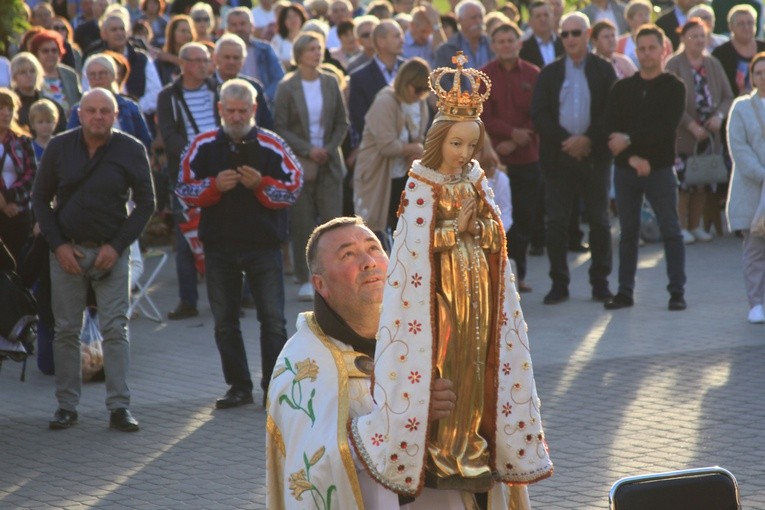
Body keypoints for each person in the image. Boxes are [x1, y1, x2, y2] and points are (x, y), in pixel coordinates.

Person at [347, 55, 552, 501]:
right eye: (456, 144)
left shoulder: (476, 180)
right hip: (439, 293)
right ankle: (446, 444)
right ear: (439, 140)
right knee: (449, 359)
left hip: (478, 282)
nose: (464, 154)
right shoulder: (421, 183)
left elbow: (496, 234)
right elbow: (409, 248)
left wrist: (478, 229)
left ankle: (473, 440)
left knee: (478, 361)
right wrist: (452, 231)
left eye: (471, 146)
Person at [267, 217, 466, 508]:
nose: (368, 262)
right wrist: (405, 419)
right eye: (348, 254)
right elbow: (315, 468)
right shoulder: (302, 366)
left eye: (374, 248)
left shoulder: (423, 337)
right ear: (320, 285)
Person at [32, 88, 156, 431]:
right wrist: (58, 246)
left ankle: (119, 407)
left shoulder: (130, 149)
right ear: (79, 114)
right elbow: (40, 200)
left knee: (115, 328)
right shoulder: (59, 147)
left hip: (111, 252)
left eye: (105, 111)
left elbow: (146, 203)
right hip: (67, 251)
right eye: (91, 111)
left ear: (115, 115)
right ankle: (66, 406)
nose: (98, 116)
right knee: (66, 330)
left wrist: (116, 247)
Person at [175, 79, 302, 409]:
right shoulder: (201, 145)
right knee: (225, 322)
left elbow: (293, 187)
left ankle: (273, 388)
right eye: (229, 110)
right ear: (219, 109)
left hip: (264, 246)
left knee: (273, 320)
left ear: (254, 110)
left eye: (242, 110)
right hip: (218, 247)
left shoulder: (273, 144)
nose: (235, 116)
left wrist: (262, 184)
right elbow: (183, 189)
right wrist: (213, 187)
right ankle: (238, 387)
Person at [531, 12, 616, 305]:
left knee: (599, 221)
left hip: (594, 157)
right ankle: (559, 284)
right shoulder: (550, 72)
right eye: (564, 34)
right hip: (559, 157)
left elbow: (611, 111)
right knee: (556, 222)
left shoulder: (604, 70)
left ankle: (600, 283)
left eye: (575, 33)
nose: (569, 39)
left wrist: (588, 139)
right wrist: (567, 142)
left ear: (588, 34)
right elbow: (539, 113)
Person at [604, 24, 688, 311]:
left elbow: (664, 130)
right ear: (635, 51)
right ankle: (625, 292)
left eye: (653, 47)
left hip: (661, 170)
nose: (647, 53)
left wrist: (630, 140)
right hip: (627, 170)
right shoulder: (623, 88)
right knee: (628, 232)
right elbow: (611, 130)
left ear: (664, 49)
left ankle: (677, 292)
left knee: (671, 230)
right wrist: (632, 157)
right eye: (642, 49)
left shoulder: (674, 87)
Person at [273, 31, 349, 302]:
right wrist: (308, 150)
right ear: (299, 54)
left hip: (330, 161)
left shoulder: (330, 83)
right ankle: (306, 279)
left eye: (319, 48)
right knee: (302, 221)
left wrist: (327, 149)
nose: (317, 53)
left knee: (331, 222)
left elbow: (342, 122)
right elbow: (279, 126)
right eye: (311, 49)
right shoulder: (287, 86)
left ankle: (334, 276)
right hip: (299, 162)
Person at [157, 42, 220, 320]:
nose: (203, 66)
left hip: (219, 173)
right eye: (197, 61)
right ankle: (188, 300)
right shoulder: (168, 96)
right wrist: (197, 158)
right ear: (182, 64)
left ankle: (234, 297)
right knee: (186, 239)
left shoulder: (217, 89)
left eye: (206, 60)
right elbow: (169, 137)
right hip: (186, 176)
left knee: (226, 235)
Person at [481, 22, 541, 293]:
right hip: (493, 159)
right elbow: (481, 116)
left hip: (527, 156)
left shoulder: (533, 73)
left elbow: (540, 113)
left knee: (524, 218)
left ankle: (520, 274)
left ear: (519, 43)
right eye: (500, 41)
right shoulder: (483, 76)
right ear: (493, 46)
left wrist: (520, 136)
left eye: (510, 40)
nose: (506, 44)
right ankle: (493, 275)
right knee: (493, 218)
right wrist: (507, 136)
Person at [665, 18, 733, 244]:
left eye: (702, 36)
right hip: (684, 134)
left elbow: (727, 96)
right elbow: (670, 101)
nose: (699, 40)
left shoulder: (712, 63)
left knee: (703, 180)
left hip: (709, 133)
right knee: (683, 184)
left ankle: (696, 226)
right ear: (683, 38)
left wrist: (719, 117)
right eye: (693, 36)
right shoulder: (674, 64)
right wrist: (690, 124)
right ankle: (681, 226)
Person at [353, 57, 430, 242]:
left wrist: (415, 151)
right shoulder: (385, 101)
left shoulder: (419, 103)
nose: (420, 94)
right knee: (375, 230)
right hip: (379, 174)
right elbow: (387, 146)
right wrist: (417, 148)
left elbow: (419, 135)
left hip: (404, 174)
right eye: (417, 89)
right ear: (406, 82)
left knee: (406, 229)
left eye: (424, 91)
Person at [725, 51, 765, 324]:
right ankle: (757, 303)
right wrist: (762, 174)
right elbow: (738, 147)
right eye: (759, 72)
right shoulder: (741, 107)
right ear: (751, 77)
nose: (764, 77)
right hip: (753, 188)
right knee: (755, 248)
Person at [68, 53, 153, 151]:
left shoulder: (130, 107)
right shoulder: (78, 109)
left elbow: (145, 141)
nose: (97, 78)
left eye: (102, 73)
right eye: (92, 75)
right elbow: (71, 144)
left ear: (113, 76)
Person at [347, 20, 404, 152]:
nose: (402, 40)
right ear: (381, 42)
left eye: (401, 35)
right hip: (376, 152)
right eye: (396, 36)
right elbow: (360, 120)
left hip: (409, 157)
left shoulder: (409, 71)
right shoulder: (359, 77)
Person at [0, 89, 37, 264]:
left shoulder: (22, 141)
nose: (6, 113)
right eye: (1, 108)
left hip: (19, 211)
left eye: (10, 109)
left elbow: (32, 174)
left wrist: (10, 198)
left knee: (18, 264)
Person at [225, 7, 285, 105]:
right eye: (234, 25)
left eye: (242, 24)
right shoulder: (220, 51)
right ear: (227, 29)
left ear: (252, 26)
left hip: (262, 105)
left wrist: (262, 97)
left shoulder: (265, 49)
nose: (239, 28)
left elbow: (279, 78)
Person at [712, 5, 765, 97]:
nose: (746, 27)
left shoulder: (763, 48)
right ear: (731, 27)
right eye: (741, 24)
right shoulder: (720, 53)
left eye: (750, 23)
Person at [29, 29, 82, 120]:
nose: (51, 54)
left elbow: (78, 100)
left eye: (54, 50)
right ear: (36, 54)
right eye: (45, 51)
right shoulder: (31, 75)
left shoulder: (70, 74)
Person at [10, 52, 68, 134]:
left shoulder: (51, 105)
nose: (29, 75)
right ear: (14, 77)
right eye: (23, 72)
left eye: (32, 71)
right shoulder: (9, 106)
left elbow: (62, 134)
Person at [434, 0, 494, 70]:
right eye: (473, 18)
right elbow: (443, 78)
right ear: (460, 20)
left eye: (480, 17)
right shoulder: (447, 49)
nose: (478, 21)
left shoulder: (494, 45)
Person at [520, 0, 563, 69]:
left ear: (552, 18)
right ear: (530, 21)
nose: (543, 19)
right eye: (538, 16)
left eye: (546, 15)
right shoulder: (523, 49)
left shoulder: (564, 43)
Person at [155, 15, 196, 85]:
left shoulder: (197, 57)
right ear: (172, 33)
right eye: (183, 31)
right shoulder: (161, 62)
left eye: (189, 31)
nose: (187, 35)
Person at [402, 4, 446, 68]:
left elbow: (443, 53)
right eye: (423, 31)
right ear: (412, 25)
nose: (425, 36)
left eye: (429, 32)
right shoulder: (401, 44)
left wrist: (436, 24)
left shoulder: (432, 41)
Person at [270, 3, 307, 69]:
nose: (292, 19)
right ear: (283, 21)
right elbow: (274, 62)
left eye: (295, 15)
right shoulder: (278, 39)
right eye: (288, 17)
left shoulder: (308, 38)